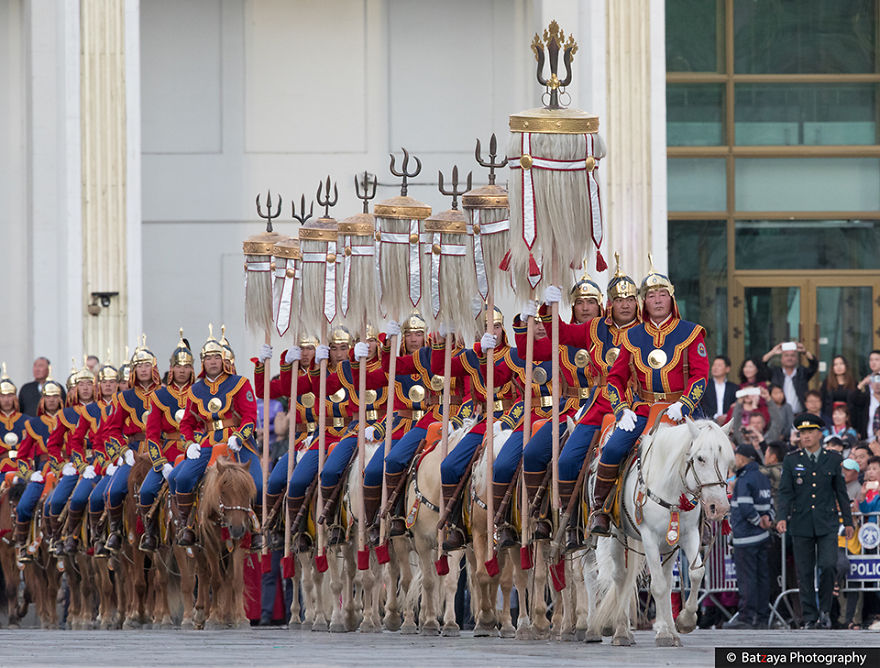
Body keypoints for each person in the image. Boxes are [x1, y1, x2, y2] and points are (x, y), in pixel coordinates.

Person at [588, 256, 709, 535]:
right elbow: (615, 378)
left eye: (662, 294)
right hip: (643, 410)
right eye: (651, 295)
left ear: (671, 298)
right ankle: (600, 509)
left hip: (682, 410)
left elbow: (701, 375)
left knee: (709, 454)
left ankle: (709, 519)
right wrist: (621, 410)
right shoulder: (631, 337)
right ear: (644, 301)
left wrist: (686, 403)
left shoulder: (691, 332)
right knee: (614, 448)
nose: (657, 300)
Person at [530, 259, 641, 549]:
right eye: (619, 299)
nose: (625, 305)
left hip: (637, 404)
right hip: (599, 405)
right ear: (611, 304)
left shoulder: (646, 332)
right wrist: (548, 308)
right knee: (566, 461)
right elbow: (561, 334)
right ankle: (574, 524)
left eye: (630, 299)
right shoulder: (594, 328)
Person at [176, 326, 262, 550]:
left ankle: (258, 529)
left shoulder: (240, 383)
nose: (213, 362)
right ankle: (187, 526)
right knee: (183, 478)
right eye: (208, 358)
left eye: (216, 357)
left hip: (238, 441)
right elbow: (186, 423)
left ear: (223, 360)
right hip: (208, 443)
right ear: (202, 363)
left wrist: (241, 436)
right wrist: (190, 443)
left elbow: (250, 415)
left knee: (259, 485)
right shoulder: (195, 390)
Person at [776, 413, 854, 629]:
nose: (806, 436)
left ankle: (826, 610)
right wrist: (781, 517)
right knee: (804, 571)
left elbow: (841, 492)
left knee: (829, 565)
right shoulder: (792, 459)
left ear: (820, 433)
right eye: (802, 432)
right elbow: (785, 492)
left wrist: (848, 521)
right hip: (801, 523)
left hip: (827, 521)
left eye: (810, 431)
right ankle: (810, 617)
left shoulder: (833, 458)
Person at [102, 338, 162, 552]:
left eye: (147, 365)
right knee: (114, 491)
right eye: (139, 366)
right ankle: (116, 531)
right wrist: (123, 451)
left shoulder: (165, 393)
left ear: (153, 367)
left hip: (161, 450)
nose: (143, 370)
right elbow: (111, 430)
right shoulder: (123, 397)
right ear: (133, 370)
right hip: (135, 451)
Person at [138, 331, 195, 552]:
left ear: (192, 369)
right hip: (168, 453)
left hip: (195, 452)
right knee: (145, 492)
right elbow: (152, 435)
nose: (182, 370)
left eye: (186, 366)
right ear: (171, 369)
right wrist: (161, 464)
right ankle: (150, 535)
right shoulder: (158, 396)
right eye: (178, 366)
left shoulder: (199, 392)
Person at [12, 374, 65, 555]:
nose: (51, 401)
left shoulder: (69, 419)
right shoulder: (32, 424)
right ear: (43, 400)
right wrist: (29, 473)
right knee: (23, 506)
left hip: (66, 469)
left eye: (55, 397)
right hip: (42, 471)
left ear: (60, 399)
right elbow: (22, 456)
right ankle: (23, 542)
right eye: (48, 397)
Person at [724, 442, 774, 629]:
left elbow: (745, 506)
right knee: (762, 577)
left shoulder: (744, 479)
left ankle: (746, 617)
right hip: (762, 537)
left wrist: (756, 521)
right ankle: (761, 617)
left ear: (743, 458)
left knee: (747, 578)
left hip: (746, 537)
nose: (734, 459)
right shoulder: (762, 477)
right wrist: (767, 520)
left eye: (736, 456)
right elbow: (770, 505)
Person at [763, 341, 819, 414]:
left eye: (792, 355)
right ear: (782, 358)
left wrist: (805, 352)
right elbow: (762, 366)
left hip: (799, 415)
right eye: (786, 355)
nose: (789, 358)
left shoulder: (802, 373)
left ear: (797, 359)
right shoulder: (775, 373)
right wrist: (773, 352)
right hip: (779, 415)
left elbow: (814, 365)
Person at [702, 355, 738, 422]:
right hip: (708, 422)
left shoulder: (734, 388)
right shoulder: (705, 385)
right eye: (714, 365)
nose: (715, 368)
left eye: (719, 365)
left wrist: (726, 417)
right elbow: (702, 405)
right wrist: (716, 417)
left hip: (728, 422)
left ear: (727, 369)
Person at [860, 371, 880, 443]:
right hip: (867, 440)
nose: (877, 384)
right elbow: (853, 399)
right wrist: (862, 383)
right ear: (870, 384)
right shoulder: (866, 399)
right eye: (874, 381)